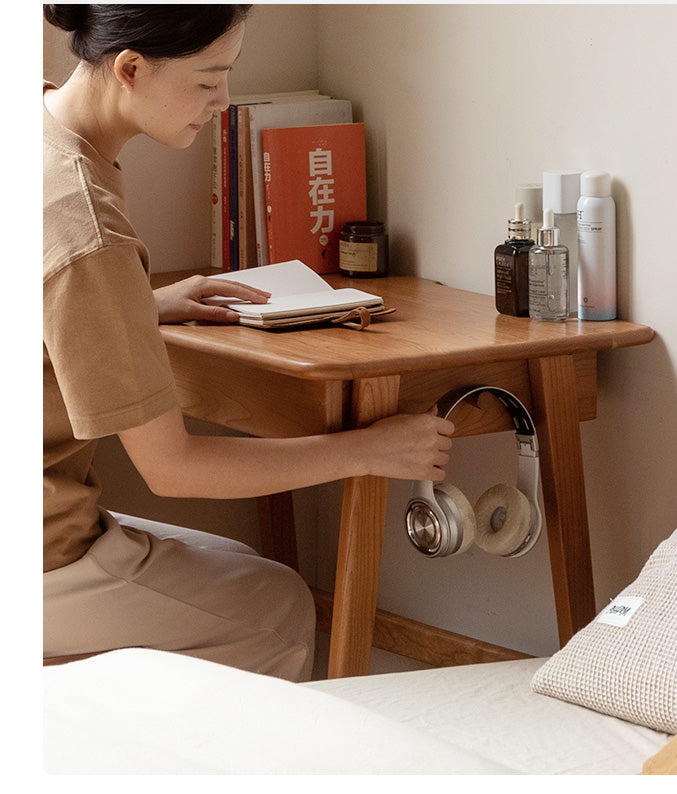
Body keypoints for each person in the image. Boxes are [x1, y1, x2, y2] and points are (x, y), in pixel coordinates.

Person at [43, 5, 454, 681]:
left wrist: (137, 307)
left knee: (240, 568)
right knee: (277, 607)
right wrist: (370, 450)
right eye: (208, 81)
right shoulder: (87, 226)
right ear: (131, 68)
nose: (223, 101)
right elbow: (173, 470)